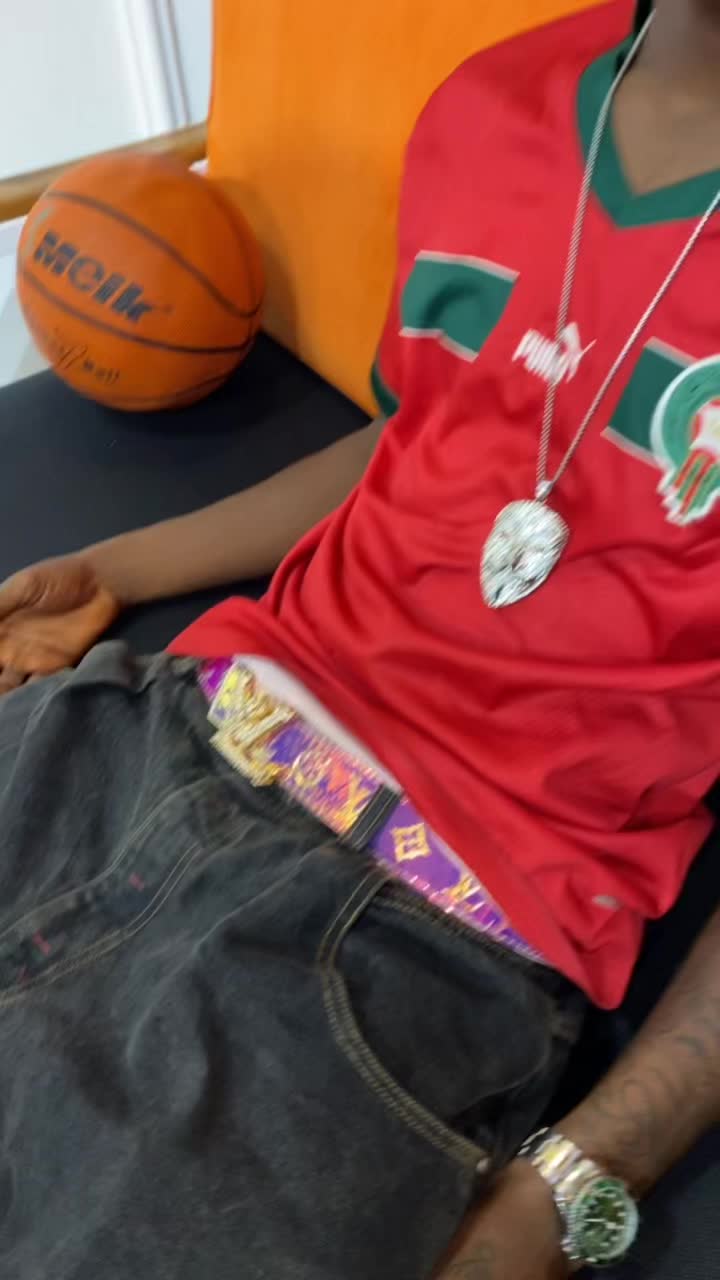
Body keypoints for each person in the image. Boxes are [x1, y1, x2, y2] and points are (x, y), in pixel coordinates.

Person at [0, 0, 719, 1275]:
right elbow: (422, 430)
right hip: (163, 724)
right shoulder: (491, 103)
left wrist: (578, 1181)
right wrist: (115, 566)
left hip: (422, 932)